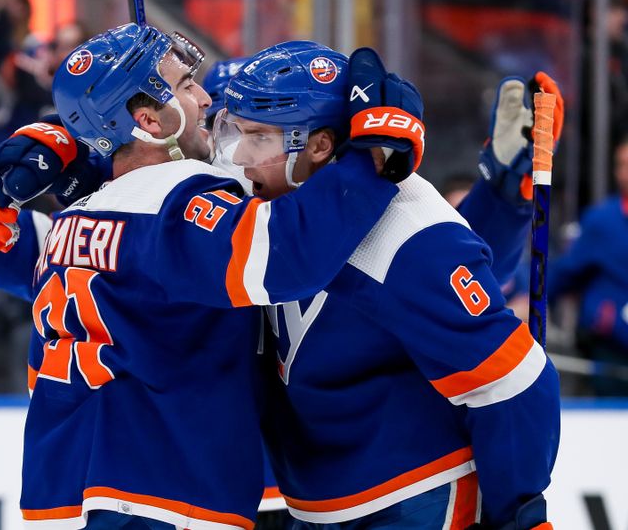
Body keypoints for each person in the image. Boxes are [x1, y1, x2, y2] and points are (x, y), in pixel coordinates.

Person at [0, 23, 413, 530]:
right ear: (150, 120)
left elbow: (34, 257)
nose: (209, 104)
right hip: (164, 489)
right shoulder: (183, 197)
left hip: (68, 490)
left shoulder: (77, 216)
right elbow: (286, 255)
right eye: (191, 87)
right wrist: (374, 155)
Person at [212, 41, 562, 529]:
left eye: (260, 136)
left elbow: (512, 379)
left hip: (413, 497)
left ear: (319, 145)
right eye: (237, 132)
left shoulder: (407, 232)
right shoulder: (277, 203)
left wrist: (519, 512)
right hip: (317, 501)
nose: (241, 156)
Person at [549, 135, 628, 396]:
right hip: (612, 351)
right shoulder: (601, 220)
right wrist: (529, 299)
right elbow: (567, 272)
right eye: (621, 164)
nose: (624, 173)